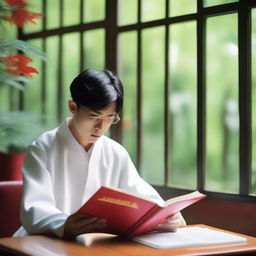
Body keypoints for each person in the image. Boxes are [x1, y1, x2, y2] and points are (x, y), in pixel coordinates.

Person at [13, 69, 185, 240]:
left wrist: (167, 217)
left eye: (110, 117)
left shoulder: (115, 152)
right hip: (44, 241)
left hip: (99, 243)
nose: (101, 127)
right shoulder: (43, 148)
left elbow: (145, 200)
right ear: (73, 107)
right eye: (93, 116)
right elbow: (35, 208)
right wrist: (64, 224)